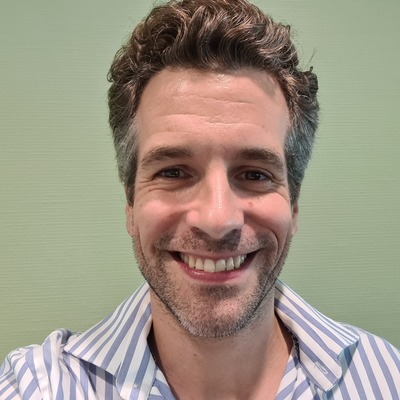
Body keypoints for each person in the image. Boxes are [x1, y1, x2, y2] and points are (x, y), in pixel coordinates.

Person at [1, 0, 399, 398]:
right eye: (173, 172)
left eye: (255, 175)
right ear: (131, 205)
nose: (217, 219)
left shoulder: (385, 378)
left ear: (293, 207)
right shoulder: (37, 385)